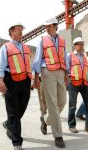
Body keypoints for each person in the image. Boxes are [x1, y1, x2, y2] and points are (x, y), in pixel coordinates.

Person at [0, 24, 32, 150]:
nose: (21, 31)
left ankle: (8, 124)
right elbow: (0, 66)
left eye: (22, 29)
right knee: (13, 111)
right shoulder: (5, 47)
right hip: (10, 80)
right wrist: (0, 81)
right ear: (11, 32)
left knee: (22, 107)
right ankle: (17, 141)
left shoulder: (26, 47)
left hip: (25, 81)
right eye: (19, 29)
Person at [33, 17, 68, 148]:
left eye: (49, 26)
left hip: (60, 72)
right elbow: (37, 59)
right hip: (47, 72)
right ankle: (58, 135)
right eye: (46, 27)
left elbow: (65, 57)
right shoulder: (43, 40)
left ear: (55, 26)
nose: (46, 29)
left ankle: (46, 120)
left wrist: (67, 73)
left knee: (62, 101)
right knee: (52, 103)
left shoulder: (63, 40)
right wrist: (36, 77)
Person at [66, 37, 88, 134]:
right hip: (74, 83)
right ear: (75, 45)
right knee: (72, 106)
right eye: (79, 44)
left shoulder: (84, 57)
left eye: (82, 44)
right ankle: (72, 125)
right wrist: (69, 78)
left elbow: (84, 70)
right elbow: (67, 69)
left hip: (84, 83)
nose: (81, 46)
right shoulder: (70, 56)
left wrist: (87, 76)